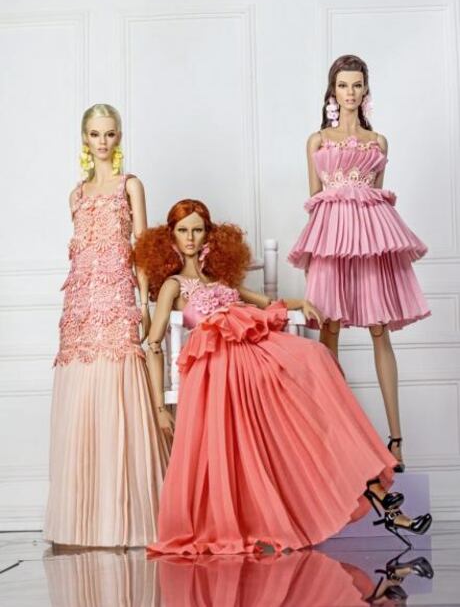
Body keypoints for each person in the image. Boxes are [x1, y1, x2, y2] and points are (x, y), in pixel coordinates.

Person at [134, 199, 431, 555]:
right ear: (170, 237)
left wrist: (299, 303)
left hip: (252, 345)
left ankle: (371, 484)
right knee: (295, 389)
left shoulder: (220, 279)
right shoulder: (173, 285)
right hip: (218, 359)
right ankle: (375, 489)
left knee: (316, 357)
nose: (190, 238)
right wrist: (159, 407)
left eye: (197, 230)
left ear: (209, 234)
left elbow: (263, 302)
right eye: (183, 231)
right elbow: (154, 344)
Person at [288, 55, 430, 472]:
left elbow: (377, 198)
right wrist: (315, 256)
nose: (349, 93)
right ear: (332, 92)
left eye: (356, 85)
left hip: (370, 241)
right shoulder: (317, 140)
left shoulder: (378, 142)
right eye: (343, 85)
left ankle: (396, 439)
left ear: (366, 90)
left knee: (379, 330)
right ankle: (335, 437)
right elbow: (315, 200)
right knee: (328, 330)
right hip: (331, 242)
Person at [44, 104, 170, 547]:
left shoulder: (130, 185)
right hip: (80, 304)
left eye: (110, 133)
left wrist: (145, 303)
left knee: (121, 387)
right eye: (95, 134)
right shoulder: (76, 195)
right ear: (85, 138)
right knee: (83, 395)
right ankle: (86, 523)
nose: (102, 141)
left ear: (118, 137)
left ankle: (129, 518)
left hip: (117, 298)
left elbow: (142, 250)